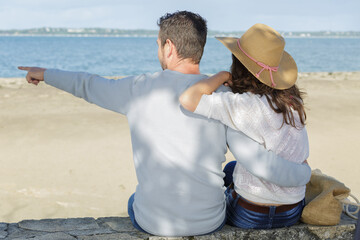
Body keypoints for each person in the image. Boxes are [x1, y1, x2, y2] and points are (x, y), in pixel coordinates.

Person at [18, 12, 311, 236]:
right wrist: (303, 173)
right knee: (228, 173)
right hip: (209, 221)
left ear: (168, 47)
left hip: (153, 222)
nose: (159, 50)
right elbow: (257, 159)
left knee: (135, 199)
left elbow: (88, 84)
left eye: (159, 44)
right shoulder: (221, 97)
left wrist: (45, 73)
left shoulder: (136, 89)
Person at [180, 23, 309, 229]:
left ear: (238, 65)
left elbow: (188, 98)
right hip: (292, 210)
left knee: (221, 184)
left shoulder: (244, 106)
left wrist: (222, 76)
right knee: (231, 168)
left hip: (251, 214)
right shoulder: (292, 101)